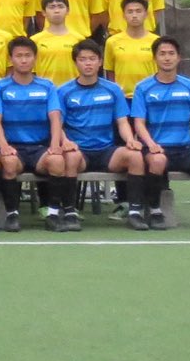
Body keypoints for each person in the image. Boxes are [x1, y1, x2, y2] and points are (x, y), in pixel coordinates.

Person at [131, 37, 190, 230]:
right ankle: (155, 212)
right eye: (162, 54)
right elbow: (138, 123)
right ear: (154, 58)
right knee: (157, 161)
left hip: (184, 151)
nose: (167, 58)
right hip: (157, 150)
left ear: (179, 57)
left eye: (171, 54)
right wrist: (151, 144)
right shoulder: (143, 87)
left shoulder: (189, 86)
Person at [53, 40, 145, 232]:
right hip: (80, 151)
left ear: (100, 62)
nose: (88, 63)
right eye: (83, 59)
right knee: (70, 157)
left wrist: (130, 140)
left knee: (135, 155)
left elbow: (122, 122)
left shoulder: (113, 89)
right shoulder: (63, 91)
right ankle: (69, 213)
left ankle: (135, 212)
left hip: (106, 151)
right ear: (75, 62)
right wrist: (66, 141)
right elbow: (57, 125)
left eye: (92, 59)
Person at [0, 36, 67, 232]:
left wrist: (55, 145)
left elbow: (55, 118)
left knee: (57, 161)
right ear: (11, 59)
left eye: (28, 55)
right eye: (19, 56)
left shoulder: (47, 86)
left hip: (40, 148)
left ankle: (53, 215)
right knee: (9, 163)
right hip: (13, 147)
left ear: (35, 58)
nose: (24, 60)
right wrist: (4, 146)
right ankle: (12, 215)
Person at [104, 0, 162, 94]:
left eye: (138, 11)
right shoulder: (112, 42)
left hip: (150, 95)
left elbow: (162, 70)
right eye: (130, 12)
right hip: (123, 97)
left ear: (146, 14)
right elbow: (110, 72)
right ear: (123, 15)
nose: (134, 15)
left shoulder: (157, 41)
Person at [29, 0, 86, 78]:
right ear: (44, 12)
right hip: (45, 86)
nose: (56, 11)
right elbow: (30, 71)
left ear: (67, 10)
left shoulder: (79, 39)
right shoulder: (35, 40)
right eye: (51, 7)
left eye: (60, 6)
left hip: (72, 86)